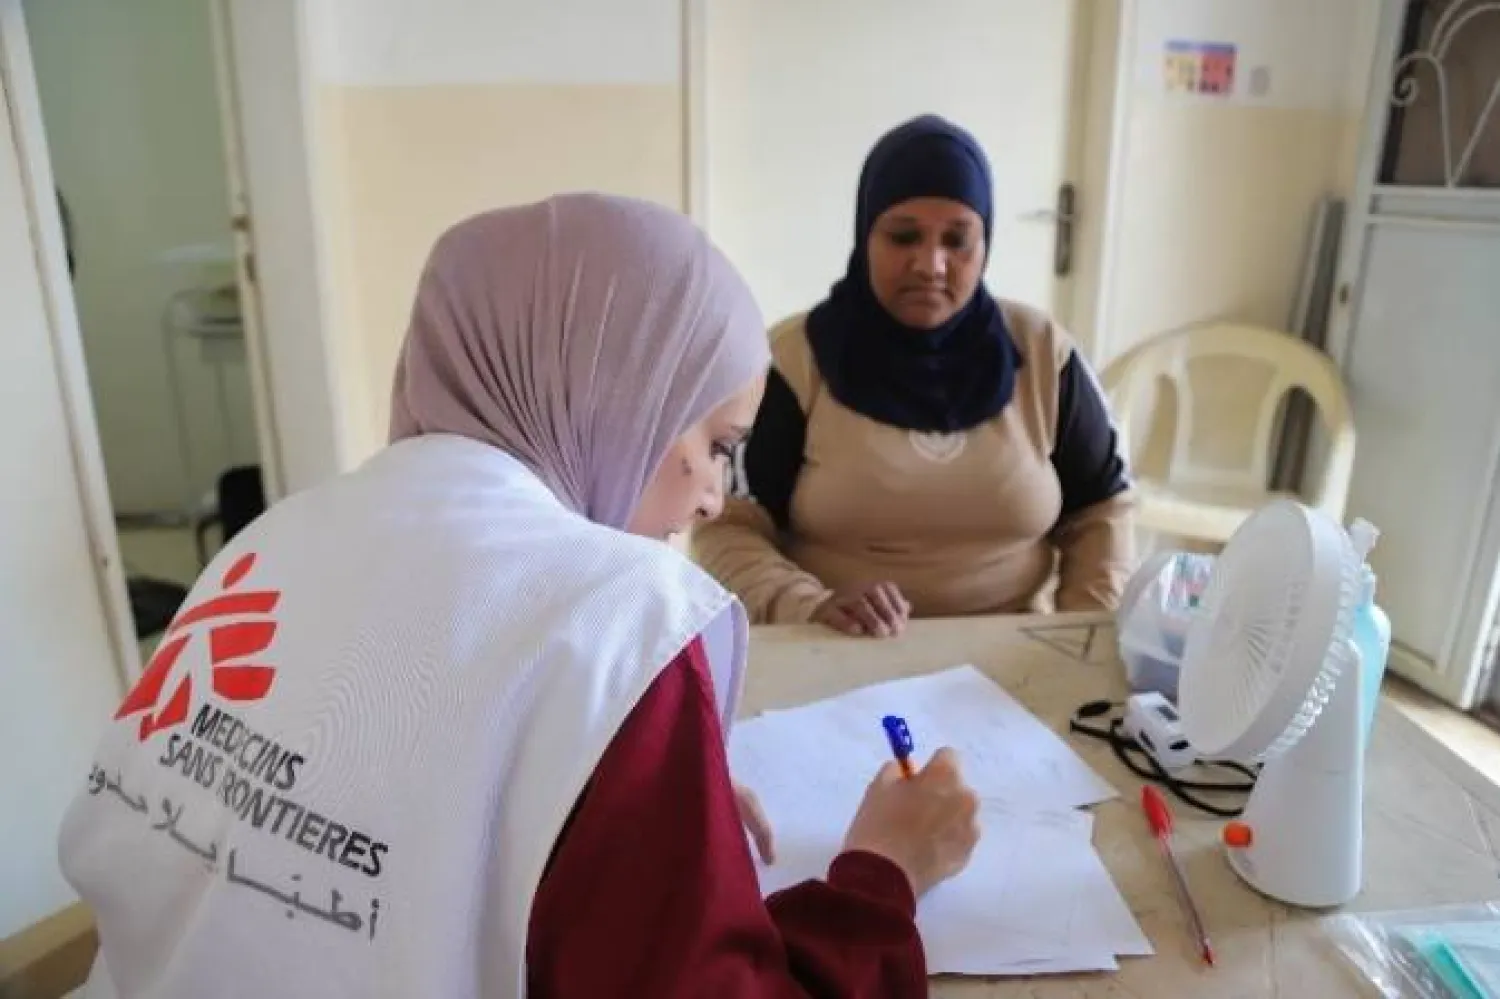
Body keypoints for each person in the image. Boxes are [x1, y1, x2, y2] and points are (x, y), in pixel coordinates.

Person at [58, 193, 981, 998]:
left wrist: (622, 808)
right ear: (618, 392)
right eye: (714, 440)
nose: (710, 495)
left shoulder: (278, 533)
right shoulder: (616, 611)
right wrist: (882, 874)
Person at [695, 115, 1135, 638]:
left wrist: (1084, 636)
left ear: (986, 245)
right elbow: (727, 528)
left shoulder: (1044, 355)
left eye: (958, 240)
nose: (931, 264)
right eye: (903, 236)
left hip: (1010, 659)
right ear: (864, 236)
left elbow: (1104, 512)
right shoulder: (795, 361)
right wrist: (808, 607)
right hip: (833, 646)